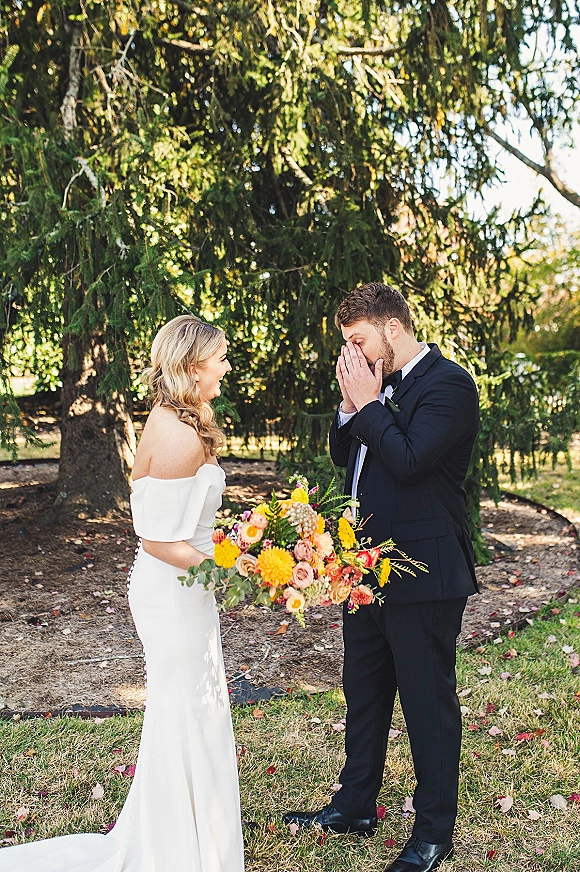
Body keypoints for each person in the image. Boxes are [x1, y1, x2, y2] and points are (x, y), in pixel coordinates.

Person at [0, 314, 245, 872]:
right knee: (187, 708)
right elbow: (158, 539)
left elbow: (182, 523)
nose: (227, 367)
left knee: (188, 706)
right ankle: (179, 849)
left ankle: (189, 836)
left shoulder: (172, 415)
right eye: (221, 359)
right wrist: (236, 570)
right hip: (174, 590)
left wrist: (228, 545)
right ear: (192, 365)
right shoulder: (179, 435)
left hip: (184, 585)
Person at [283, 283, 479, 872]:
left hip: (424, 572)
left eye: (358, 340)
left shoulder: (449, 384)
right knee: (364, 692)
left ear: (391, 328)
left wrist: (368, 403)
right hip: (363, 570)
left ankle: (433, 832)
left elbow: (411, 461)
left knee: (427, 703)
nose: (352, 353)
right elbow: (351, 455)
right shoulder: (373, 387)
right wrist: (351, 408)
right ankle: (355, 805)